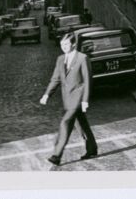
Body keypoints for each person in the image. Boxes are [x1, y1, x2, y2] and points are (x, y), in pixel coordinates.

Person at [40, 31, 98, 166]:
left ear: (73, 44)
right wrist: (46, 94)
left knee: (65, 122)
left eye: (66, 44)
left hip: (78, 98)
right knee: (82, 124)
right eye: (62, 44)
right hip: (67, 99)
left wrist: (85, 100)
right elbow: (55, 79)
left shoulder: (82, 58)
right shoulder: (60, 59)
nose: (64, 47)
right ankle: (92, 148)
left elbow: (88, 81)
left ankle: (56, 155)